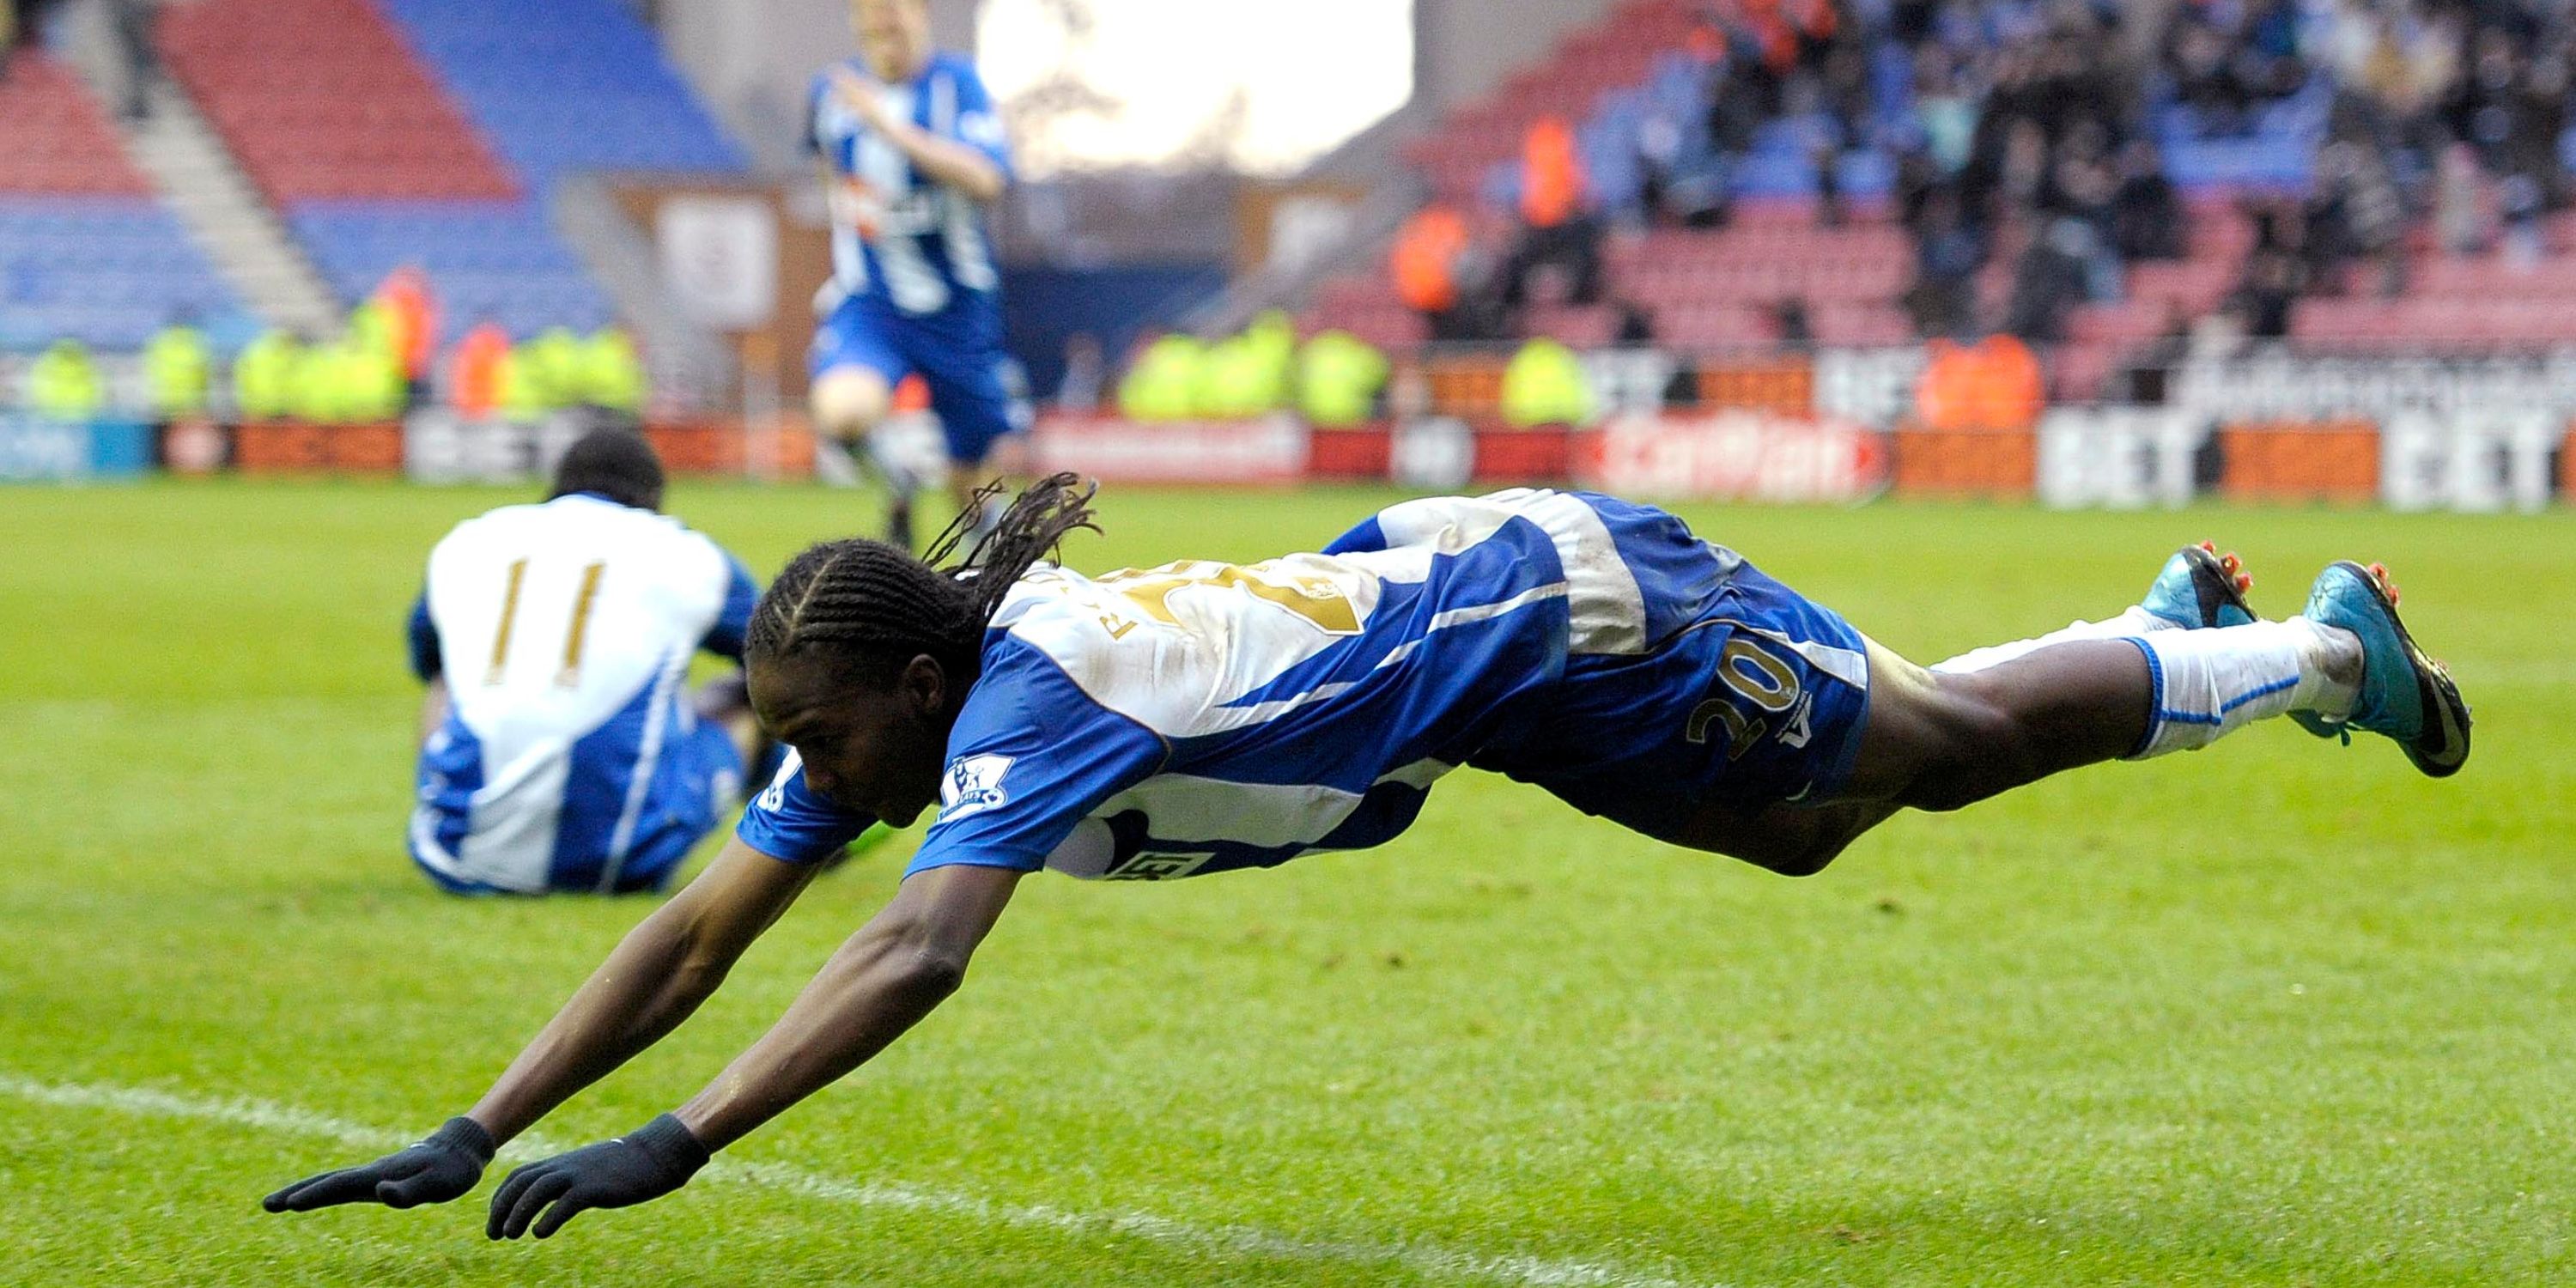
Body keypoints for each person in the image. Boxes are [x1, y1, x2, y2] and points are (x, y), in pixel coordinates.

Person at [263, 479, 2470, 1239]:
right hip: (1485, 657)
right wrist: (479, 1122)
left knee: (1943, 744)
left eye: (811, 730)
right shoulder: (909, 713)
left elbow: (915, 961)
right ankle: (2153, 635)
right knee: (1815, 827)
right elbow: (698, 921)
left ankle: (2304, 650)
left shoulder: (1025, 712)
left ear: (906, 688)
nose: (794, 768)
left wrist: (689, 1139)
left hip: (1561, 616)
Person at [399, 430, 766, 895]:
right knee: (761, 684)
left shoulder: (469, 539)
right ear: (654, 499)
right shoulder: (689, 554)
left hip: (454, 855)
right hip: (622, 863)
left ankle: (451, 808)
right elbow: (779, 653)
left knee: (447, 681)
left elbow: (425, 658)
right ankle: (800, 836)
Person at [804, 0, 1021, 551]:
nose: (885, 28)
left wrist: (891, 129)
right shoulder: (830, 94)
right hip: (872, 301)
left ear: (921, 16)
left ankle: (991, 574)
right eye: (873, 19)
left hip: (957, 307)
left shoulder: (956, 85)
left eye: (896, 16)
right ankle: (898, 475)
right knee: (842, 413)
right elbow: (829, 171)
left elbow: (988, 180)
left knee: (968, 486)